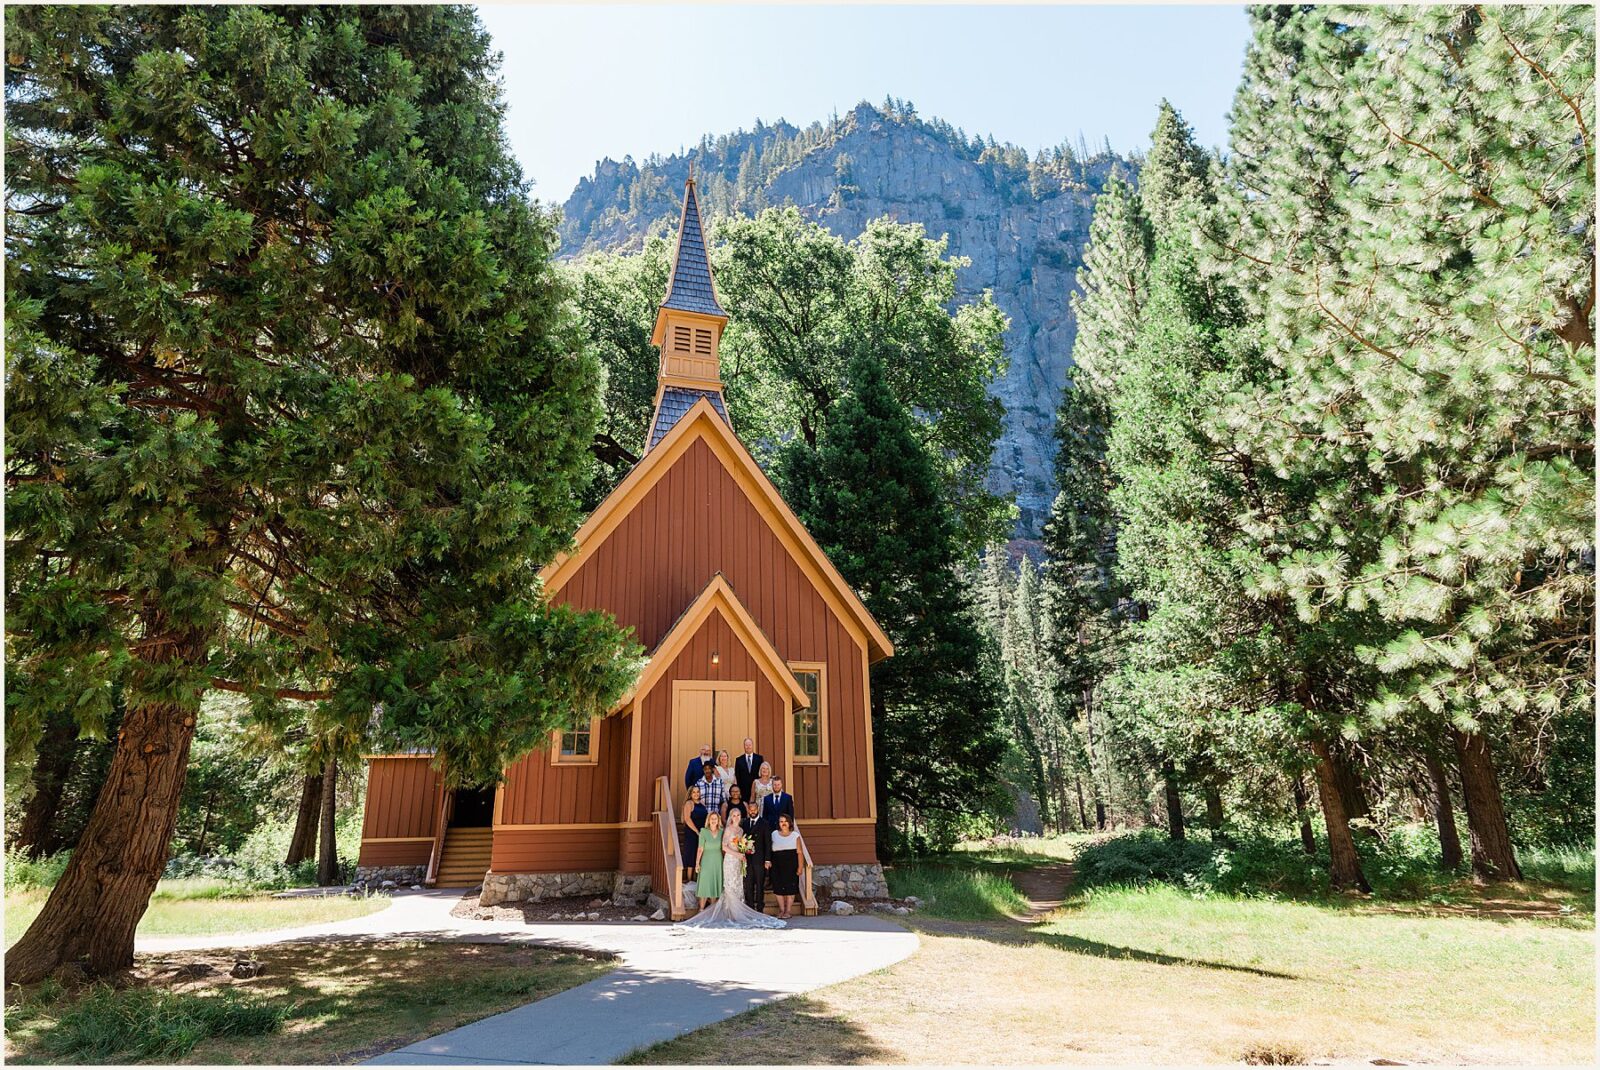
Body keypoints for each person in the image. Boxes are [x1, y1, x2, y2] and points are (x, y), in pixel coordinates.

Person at [677, 805, 784, 930]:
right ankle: (728, 912)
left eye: (738, 815)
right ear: (730, 817)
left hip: (738, 861)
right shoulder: (727, 830)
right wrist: (737, 854)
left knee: (738, 885)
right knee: (730, 885)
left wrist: (746, 850)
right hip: (730, 860)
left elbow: (743, 845)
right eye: (734, 815)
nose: (736, 817)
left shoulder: (741, 830)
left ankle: (736, 912)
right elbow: (724, 847)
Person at [768, 814, 805, 920]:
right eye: (781, 821)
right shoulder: (774, 834)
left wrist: (800, 867)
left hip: (791, 865)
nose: (783, 823)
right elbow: (769, 849)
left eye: (785, 821)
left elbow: (800, 852)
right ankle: (781, 910)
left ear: (789, 823)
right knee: (778, 888)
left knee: (790, 889)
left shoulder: (795, 835)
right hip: (777, 865)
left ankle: (788, 911)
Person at [742, 799, 773, 911]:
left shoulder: (764, 823)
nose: (753, 811)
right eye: (751, 810)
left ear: (758, 809)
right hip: (748, 859)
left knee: (760, 884)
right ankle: (750, 907)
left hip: (760, 859)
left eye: (754, 809)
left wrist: (767, 860)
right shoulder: (745, 823)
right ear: (748, 810)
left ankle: (760, 907)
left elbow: (768, 843)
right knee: (748, 884)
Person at [693, 811, 724, 904]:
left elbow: (724, 848)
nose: (714, 820)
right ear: (708, 820)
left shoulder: (722, 832)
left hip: (718, 861)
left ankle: (712, 908)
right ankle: (701, 908)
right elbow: (700, 849)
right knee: (705, 884)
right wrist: (697, 863)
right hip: (706, 861)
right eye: (712, 818)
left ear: (718, 820)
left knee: (715, 884)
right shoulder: (703, 831)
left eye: (715, 819)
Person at [679, 784, 706, 882]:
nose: (696, 794)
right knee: (691, 855)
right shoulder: (689, 803)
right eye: (694, 792)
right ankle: (689, 879)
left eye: (698, 792)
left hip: (702, 832)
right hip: (691, 832)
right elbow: (687, 819)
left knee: (699, 855)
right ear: (690, 793)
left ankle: (697, 879)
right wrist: (696, 831)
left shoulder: (702, 803)